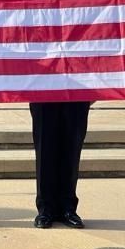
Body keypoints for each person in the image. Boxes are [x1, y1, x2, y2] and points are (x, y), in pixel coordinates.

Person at [30, 98, 92, 229]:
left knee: (72, 148)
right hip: (44, 89)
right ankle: (45, 209)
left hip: (77, 90)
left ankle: (68, 208)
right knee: (45, 148)